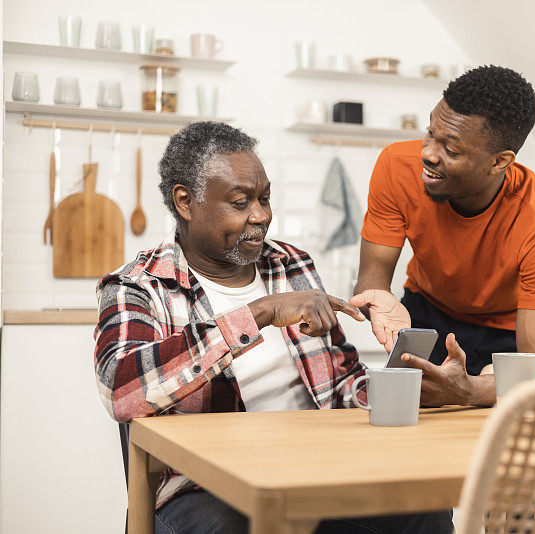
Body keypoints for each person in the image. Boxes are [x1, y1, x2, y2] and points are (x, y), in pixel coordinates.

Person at [93, 122, 452, 534]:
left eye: (264, 198)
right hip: (206, 491)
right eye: (240, 202)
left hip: (314, 472)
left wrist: (411, 387)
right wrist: (260, 313)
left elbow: (340, 387)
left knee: (423, 509)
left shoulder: (291, 264)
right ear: (185, 202)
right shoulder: (138, 285)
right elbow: (122, 390)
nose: (260, 215)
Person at [350, 66, 535, 407]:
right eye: (430, 134)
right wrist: (376, 301)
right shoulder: (396, 167)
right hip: (425, 312)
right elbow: (372, 285)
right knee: (407, 419)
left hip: (505, 331)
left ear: (500, 162)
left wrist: (471, 391)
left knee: (494, 426)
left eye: (451, 151)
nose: (428, 153)